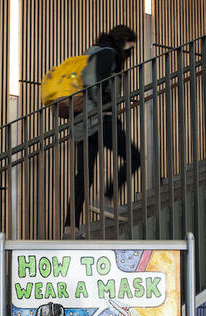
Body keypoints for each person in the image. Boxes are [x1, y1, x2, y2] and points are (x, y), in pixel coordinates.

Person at [64, 25, 142, 238]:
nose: (130, 53)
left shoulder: (92, 52)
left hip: (81, 122)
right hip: (100, 120)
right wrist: (107, 109)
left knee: (84, 175)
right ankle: (107, 198)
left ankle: (70, 227)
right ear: (123, 41)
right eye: (130, 47)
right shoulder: (109, 54)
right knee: (134, 157)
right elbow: (95, 82)